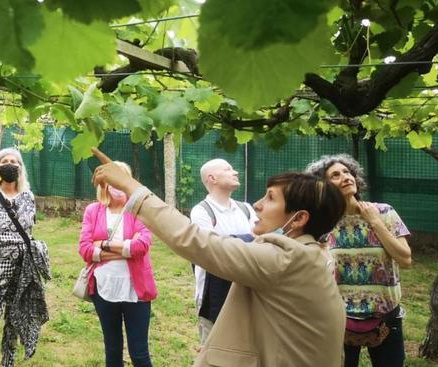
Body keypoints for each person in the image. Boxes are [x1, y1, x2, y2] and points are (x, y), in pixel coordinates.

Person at [90, 148, 347, 366]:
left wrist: (129, 185)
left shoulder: (288, 258)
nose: (257, 205)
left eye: (270, 198)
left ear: (299, 218)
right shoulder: (309, 255)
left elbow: (195, 240)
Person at [306, 154, 412, 367]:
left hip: (386, 317)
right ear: (324, 186)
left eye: (347, 172)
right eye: (335, 175)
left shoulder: (383, 211)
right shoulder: (323, 224)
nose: (345, 177)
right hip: (339, 319)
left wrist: (374, 221)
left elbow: (405, 258)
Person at [0, 148, 49, 367]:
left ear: (20, 168)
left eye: (14, 161)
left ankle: (8, 362)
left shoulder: (29, 198)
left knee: (14, 320)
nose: (9, 164)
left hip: (23, 268)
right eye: (5, 161)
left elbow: (29, 231)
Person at [78, 161, 156, 367]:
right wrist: (124, 250)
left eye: (121, 179)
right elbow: (85, 249)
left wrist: (102, 245)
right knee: (112, 350)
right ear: (104, 184)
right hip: (104, 288)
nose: (116, 184)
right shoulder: (93, 211)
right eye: (111, 180)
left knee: (139, 353)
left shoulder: (139, 209)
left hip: (135, 290)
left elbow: (142, 246)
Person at [189, 159, 255, 344]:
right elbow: (214, 250)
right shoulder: (201, 211)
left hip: (246, 291)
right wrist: (248, 239)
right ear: (212, 178)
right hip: (213, 297)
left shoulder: (246, 209)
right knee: (215, 349)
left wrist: (228, 241)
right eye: (228, 169)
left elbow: (261, 243)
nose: (235, 172)